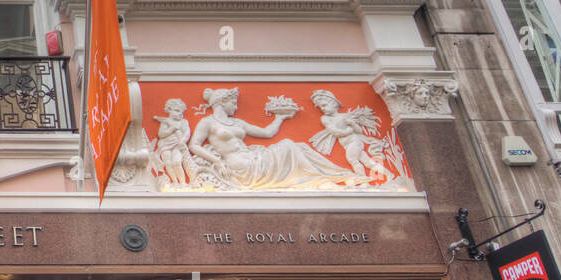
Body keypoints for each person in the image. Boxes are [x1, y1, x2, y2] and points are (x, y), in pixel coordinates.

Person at [188, 87, 366, 190]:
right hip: (240, 167)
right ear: (220, 103)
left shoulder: (237, 122)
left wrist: (279, 118)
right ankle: (320, 178)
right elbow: (194, 145)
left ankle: (327, 177)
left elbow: (266, 133)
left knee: (299, 146)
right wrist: (217, 161)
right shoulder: (207, 122)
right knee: (288, 145)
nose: (235, 106)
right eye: (232, 102)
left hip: (253, 157)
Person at [309, 89, 392, 182]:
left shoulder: (345, 116)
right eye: (321, 107)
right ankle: (389, 174)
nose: (323, 109)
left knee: (352, 159)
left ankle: (362, 179)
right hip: (347, 144)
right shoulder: (325, 118)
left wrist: (352, 124)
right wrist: (348, 131)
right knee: (368, 163)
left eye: (324, 105)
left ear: (333, 104)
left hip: (354, 141)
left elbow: (359, 131)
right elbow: (334, 132)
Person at [152, 98, 193, 185]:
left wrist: (182, 141)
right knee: (168, 163)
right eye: (177, 110)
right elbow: (161, 134)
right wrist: (171, 129)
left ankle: (183, 182)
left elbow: (187, 133)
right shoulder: (166, 122)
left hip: (178, 145)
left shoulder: (184, 122)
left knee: (177, 162)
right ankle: (174, 181)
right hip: (165, 145)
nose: (180, 114)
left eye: (181, 112)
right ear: (169, 110)